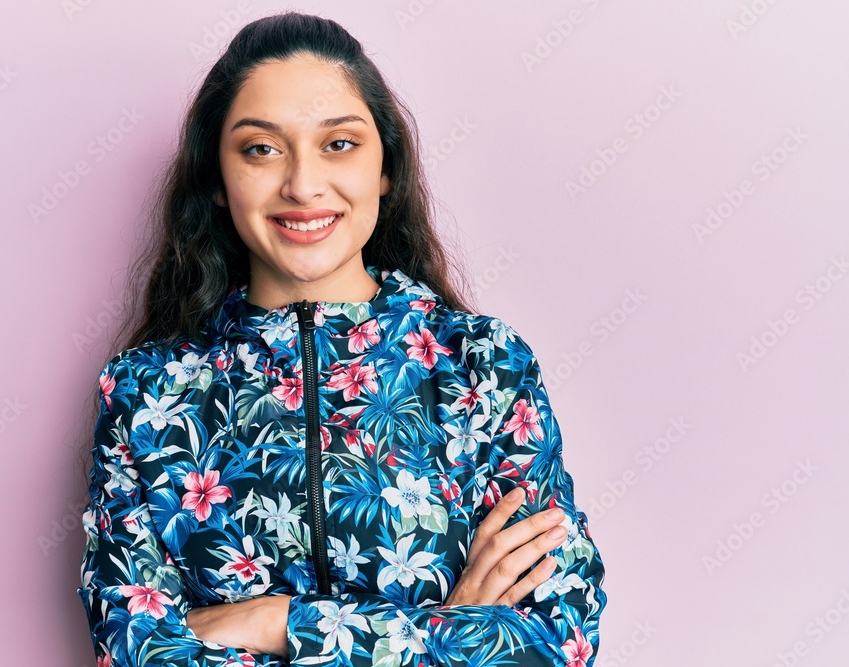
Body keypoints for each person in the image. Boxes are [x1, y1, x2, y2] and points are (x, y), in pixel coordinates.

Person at [77, 11, 607, 667]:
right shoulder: (144, 394)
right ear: (216, 178)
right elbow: (137, 652)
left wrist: (274, 622)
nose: (302, 184)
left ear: (386, 167)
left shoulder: (486, 369)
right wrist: (452, 627)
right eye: (261, 148)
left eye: (339, 144)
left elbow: (555, 644)